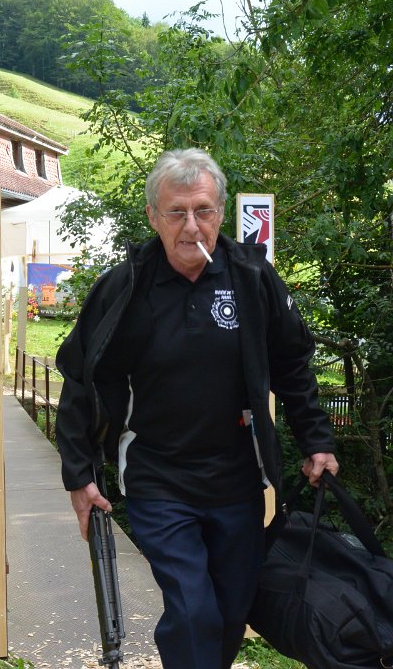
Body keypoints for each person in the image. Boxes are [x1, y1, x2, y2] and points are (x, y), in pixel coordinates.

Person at [55, 148, 339, 669]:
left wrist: (316, 440)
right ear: (153, 217)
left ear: (220, 213)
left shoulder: (251, 279)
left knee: (231, 613)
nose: (191, 226)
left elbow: (292, 363)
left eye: (203, 210)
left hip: (237, 478)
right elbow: (83, 377)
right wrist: (79, 472)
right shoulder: (126, 288)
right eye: (177, 212)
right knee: (192, 611)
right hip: (158, 476)